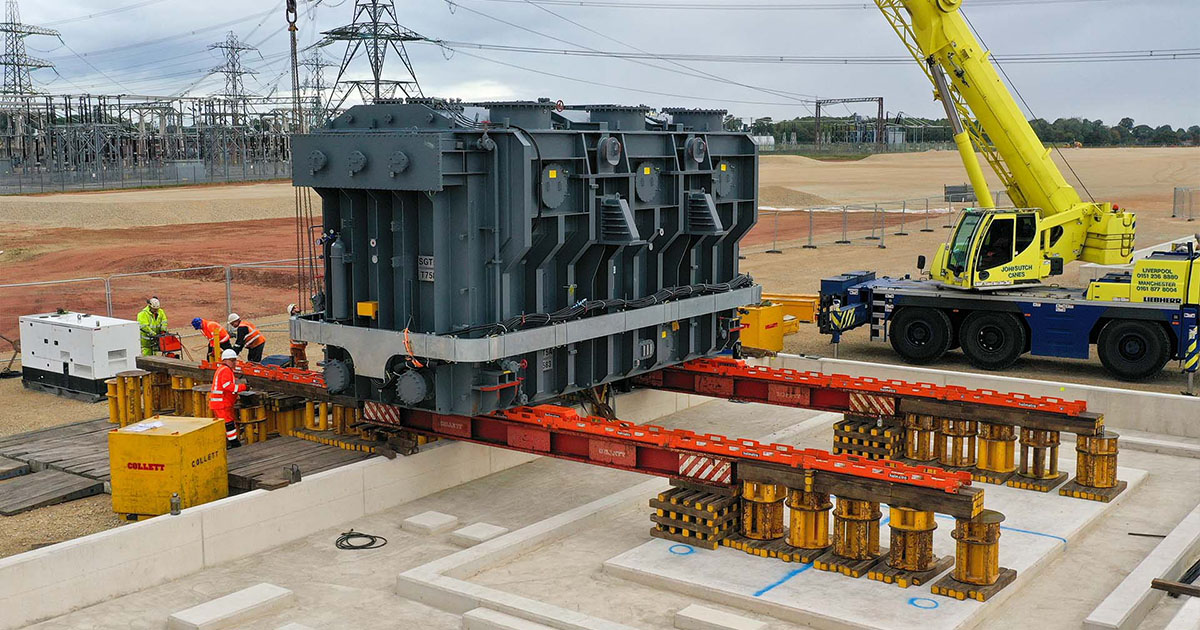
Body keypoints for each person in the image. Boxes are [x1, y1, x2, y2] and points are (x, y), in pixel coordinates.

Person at [209, 348, 246, 449]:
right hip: (221, 403)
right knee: (228, 423)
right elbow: (227, 386)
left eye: (235, 360)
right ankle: (234, 443)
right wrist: (243, 387)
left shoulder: (223, 369)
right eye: (232, 360)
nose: (234, 363)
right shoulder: (225, 370)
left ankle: (230, 441)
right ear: (225, 360)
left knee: (226, 423)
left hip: (220, 403)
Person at [287, 303, 309, 370]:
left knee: (303, 364)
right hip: (296, 348)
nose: (297, 308)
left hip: (300, 347)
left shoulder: (298, 319)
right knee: (300, 365)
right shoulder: (294, 320)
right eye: (295, 307)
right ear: (292, 311)